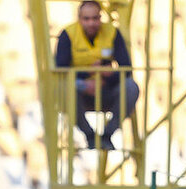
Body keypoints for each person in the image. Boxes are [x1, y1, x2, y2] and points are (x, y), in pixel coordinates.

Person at [55, 0, 140, 150]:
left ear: (100, 18)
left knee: (131, 87)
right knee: (64, 88)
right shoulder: (68, 34)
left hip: (106, 88)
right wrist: (87, 75)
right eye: (86, 19)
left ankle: (107, 135)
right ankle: (89, 135)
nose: (91, 23)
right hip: (80, 90)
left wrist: (106, 78)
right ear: (79, 19)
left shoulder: (112, 32)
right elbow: (61, 69)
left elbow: (126, 69)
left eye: (95, 18)